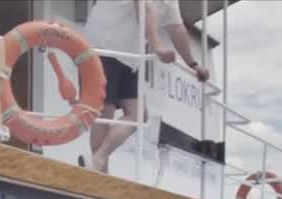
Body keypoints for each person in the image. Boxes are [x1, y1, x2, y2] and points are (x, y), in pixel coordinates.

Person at [82, 0, 210, 173]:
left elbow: (176, 28)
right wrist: (158, 47)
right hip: (104, 45)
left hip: (129, 58)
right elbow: (143, 7)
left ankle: (98, 161)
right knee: (106, 113)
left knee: (138, 114)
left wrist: (193, 64)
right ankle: (98, 171)